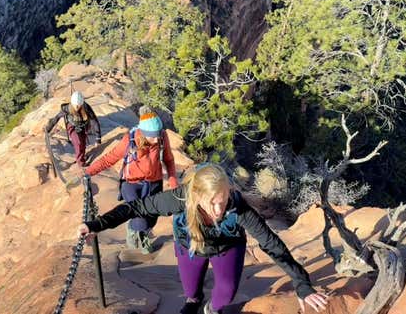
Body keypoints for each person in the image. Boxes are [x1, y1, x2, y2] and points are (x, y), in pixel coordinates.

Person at [78, 163, 330, 314]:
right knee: (190, 291)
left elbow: (271, 243)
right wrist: (97, 225)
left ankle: (210, 310)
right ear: (196, 196)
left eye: (223, 201)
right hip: (190, 246)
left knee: (226, 293)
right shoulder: (179, 198)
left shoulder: (236, 206)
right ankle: (194, 301)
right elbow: (137, 207)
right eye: (213, 204)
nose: (220, 210)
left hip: (227, 247)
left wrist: (302, 283)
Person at [83, 107, 178, 253]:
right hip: (131, 184)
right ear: (144, 134)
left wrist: (173, 183)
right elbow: (110, 158)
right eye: (153, 136)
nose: (157, 139)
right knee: (140, 217)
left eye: (158, 135)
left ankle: (143, 233)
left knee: (152, 218)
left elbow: (169, 160)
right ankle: (135, 229)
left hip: (154, 182)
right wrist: (89, 172)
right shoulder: (130, 139)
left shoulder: (162, 137)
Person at [44, 90, 101, 167]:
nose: (77, 107)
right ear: (72, 103)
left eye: (78, 105)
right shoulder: (67, 108)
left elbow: (94, 121)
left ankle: (82, 156)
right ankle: (81, 162)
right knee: (78, 143)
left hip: (83, 126)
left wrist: (98, 138)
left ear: (82, 103)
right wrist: (48, 129)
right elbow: (56, 117)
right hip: (72, 126)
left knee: (83, 143)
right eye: (75, 105)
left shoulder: (86, 108)